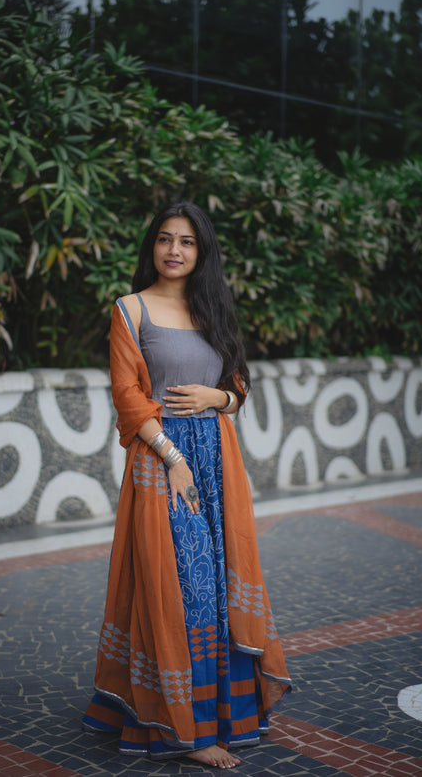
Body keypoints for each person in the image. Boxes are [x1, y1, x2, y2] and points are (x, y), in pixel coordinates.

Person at [83, 202, 291, 769]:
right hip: (161, 462)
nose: (175, 250)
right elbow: (127, 394)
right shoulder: (131, 309)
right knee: (181, 589)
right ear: (152, 246)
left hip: (219, 460)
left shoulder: (213, 306)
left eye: (188, 242)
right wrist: (173, 457)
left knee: (221, 585)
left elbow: (238, 382)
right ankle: (188, 730)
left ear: (202, 252)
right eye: (166, 240)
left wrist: (216, 398)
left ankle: (226, 714)